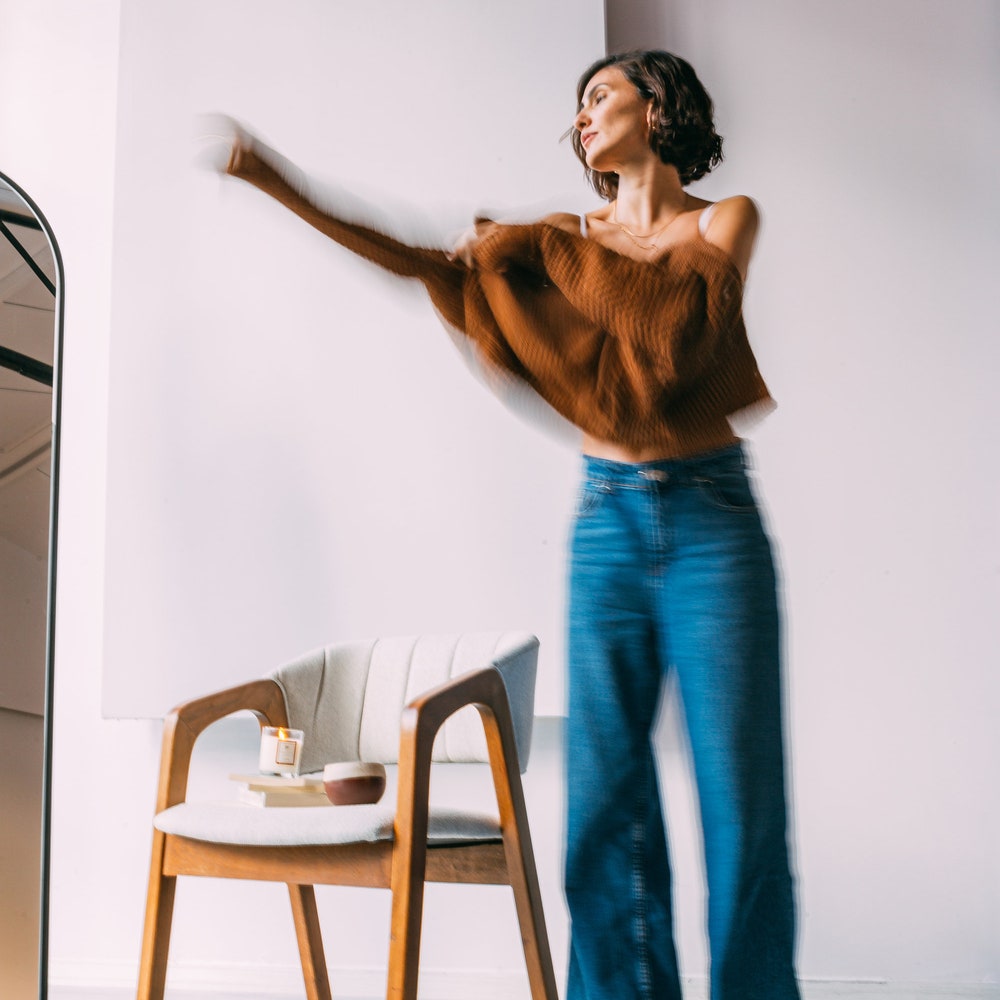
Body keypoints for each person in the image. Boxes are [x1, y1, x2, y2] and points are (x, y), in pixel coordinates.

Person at [213, 48, 799, 1000]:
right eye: (575, 107)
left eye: (600, 96)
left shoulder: (721, 220)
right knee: (607, 802)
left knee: (742, 799)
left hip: (713, 523)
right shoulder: (566, 234)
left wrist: (539, 246)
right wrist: (286, 189)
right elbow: (421, 263)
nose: (583, 116)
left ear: (658, 110)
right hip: (607, 527)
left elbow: (673, 331)